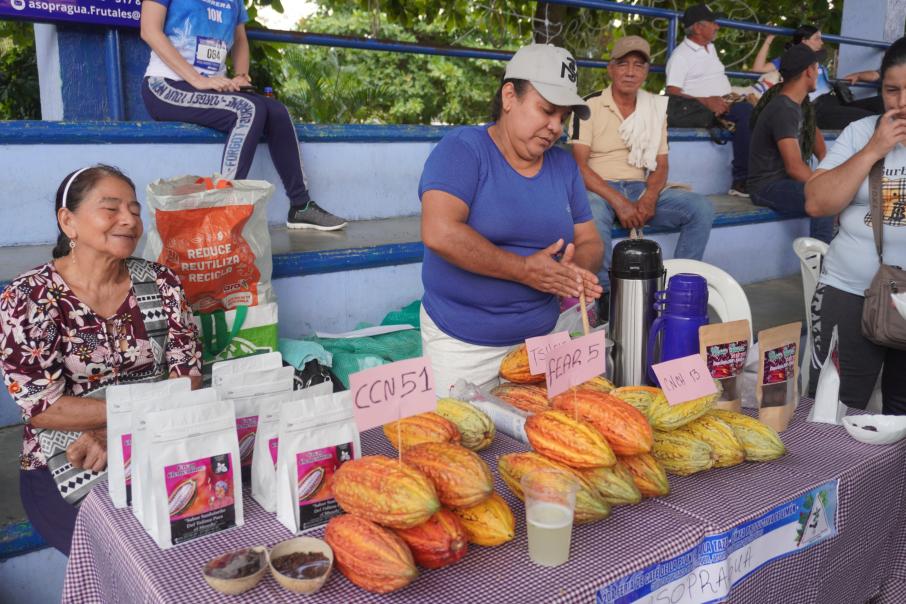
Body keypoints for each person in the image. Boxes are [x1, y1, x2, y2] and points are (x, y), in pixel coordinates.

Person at [0, 166, 202, 555]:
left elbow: (187, 378)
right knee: (125, 553)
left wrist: (125, 432)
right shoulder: (30, 298)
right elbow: (43, 408)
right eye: (111, 209)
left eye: (135, 209)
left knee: (197, 519)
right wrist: (126, 422)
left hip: (157, 438)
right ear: (68, 222)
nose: (129, 220)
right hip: (65, 457)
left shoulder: (161, 283)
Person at [419, 44, 604, 393]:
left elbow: (591, 241)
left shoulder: (563, 166)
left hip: (543, 341)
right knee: (461, 442)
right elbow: (439, 232)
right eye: (547, 110)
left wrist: (572, 271)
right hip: (462, 345)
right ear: (509, 96)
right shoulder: (463, 150)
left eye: (563, 117)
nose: (556, 127)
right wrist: (525, 270)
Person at [139, 0, 347, 231]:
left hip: (213, 87)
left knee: (275, 110)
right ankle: (220, 206)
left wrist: (241, 75)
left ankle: (301, 206)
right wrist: (197, 80)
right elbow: (149, 30)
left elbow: (239, 40)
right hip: (166, 86)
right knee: (249, 109)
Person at [570, 36, 714, 307]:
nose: (630, 71)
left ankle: (679, 291)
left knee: (701, 208)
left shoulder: (655, 107)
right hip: (598, 187)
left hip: (638, 187)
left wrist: (648, 197)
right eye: (623, 64)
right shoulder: (588, 106)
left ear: (646, 72)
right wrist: (619, 201)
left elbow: (662, 164)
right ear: (610, 68)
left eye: (638, 65)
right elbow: (578, 166)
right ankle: (605, 297)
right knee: (593, 210)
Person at [804, 37, 906, 412]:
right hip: (850, 291)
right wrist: (873, 151)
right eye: (892, 90)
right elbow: (817, 203)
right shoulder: (861, 133)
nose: (901, 102)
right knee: (834, 405)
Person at [748, 44, 835, 244]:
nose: (818, 73)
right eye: (817, 68)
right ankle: (820, 261)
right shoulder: (783, 109)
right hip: (766, 187)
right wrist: (826, 185)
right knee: (825, 197)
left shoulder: (795, 106)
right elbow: (794, 167)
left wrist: (830, 172)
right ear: (808, 71)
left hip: (781, 183)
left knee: (839, 192)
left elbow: (816, 138)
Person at [666, 3, 753, 197]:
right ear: (698, 27)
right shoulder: (680, 56)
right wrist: (706, 101)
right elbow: (672, 93)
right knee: (748, 113)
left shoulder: (710, 48)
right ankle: (741, 181)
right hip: (706, 110)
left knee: (769, 111)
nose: (717, 27)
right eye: (713, 23)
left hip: (726, 101)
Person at [752, 25, 882, 130]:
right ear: (804, 41)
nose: (822, 42)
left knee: (882, 103)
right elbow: (757, 70)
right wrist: (769, 39)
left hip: (833, 100)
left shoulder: (817, 60)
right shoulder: (791, 59)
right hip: (816, 107)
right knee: (871, 120)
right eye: (817, 38)